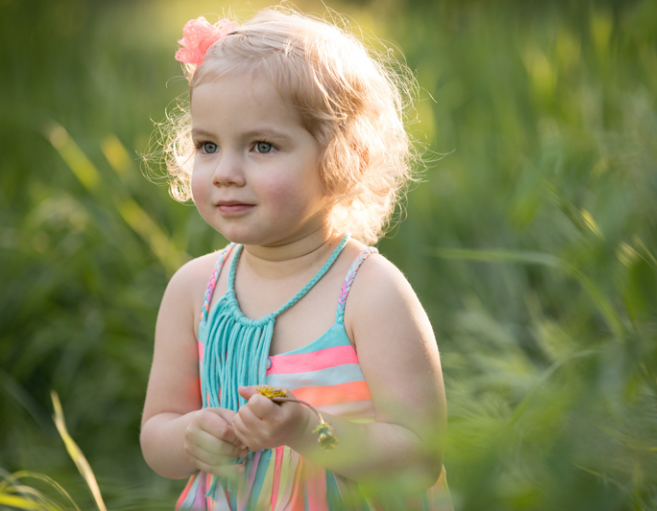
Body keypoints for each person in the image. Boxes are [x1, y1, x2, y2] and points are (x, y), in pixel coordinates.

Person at [139, 6, 451, 510]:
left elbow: (420, 458)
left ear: (343, 156)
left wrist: (311, 431)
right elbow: (157, 435)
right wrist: (190, 436)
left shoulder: (370, 294)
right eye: (208, 145)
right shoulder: (195, 290)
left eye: (262, 146)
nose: (225, 172)